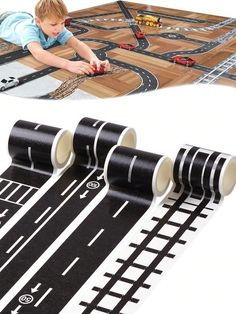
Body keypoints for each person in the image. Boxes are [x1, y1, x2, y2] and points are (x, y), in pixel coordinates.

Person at [0, 0, 110, 75]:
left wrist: (93, 58)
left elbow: (76, 44)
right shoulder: (28, 30)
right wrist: (67, 64)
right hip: (6, 21)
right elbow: (38, 53)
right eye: (53, 24)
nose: (59, 28)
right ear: (38, 22)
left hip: (24, 16)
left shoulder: (58, 27)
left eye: (62, 22)